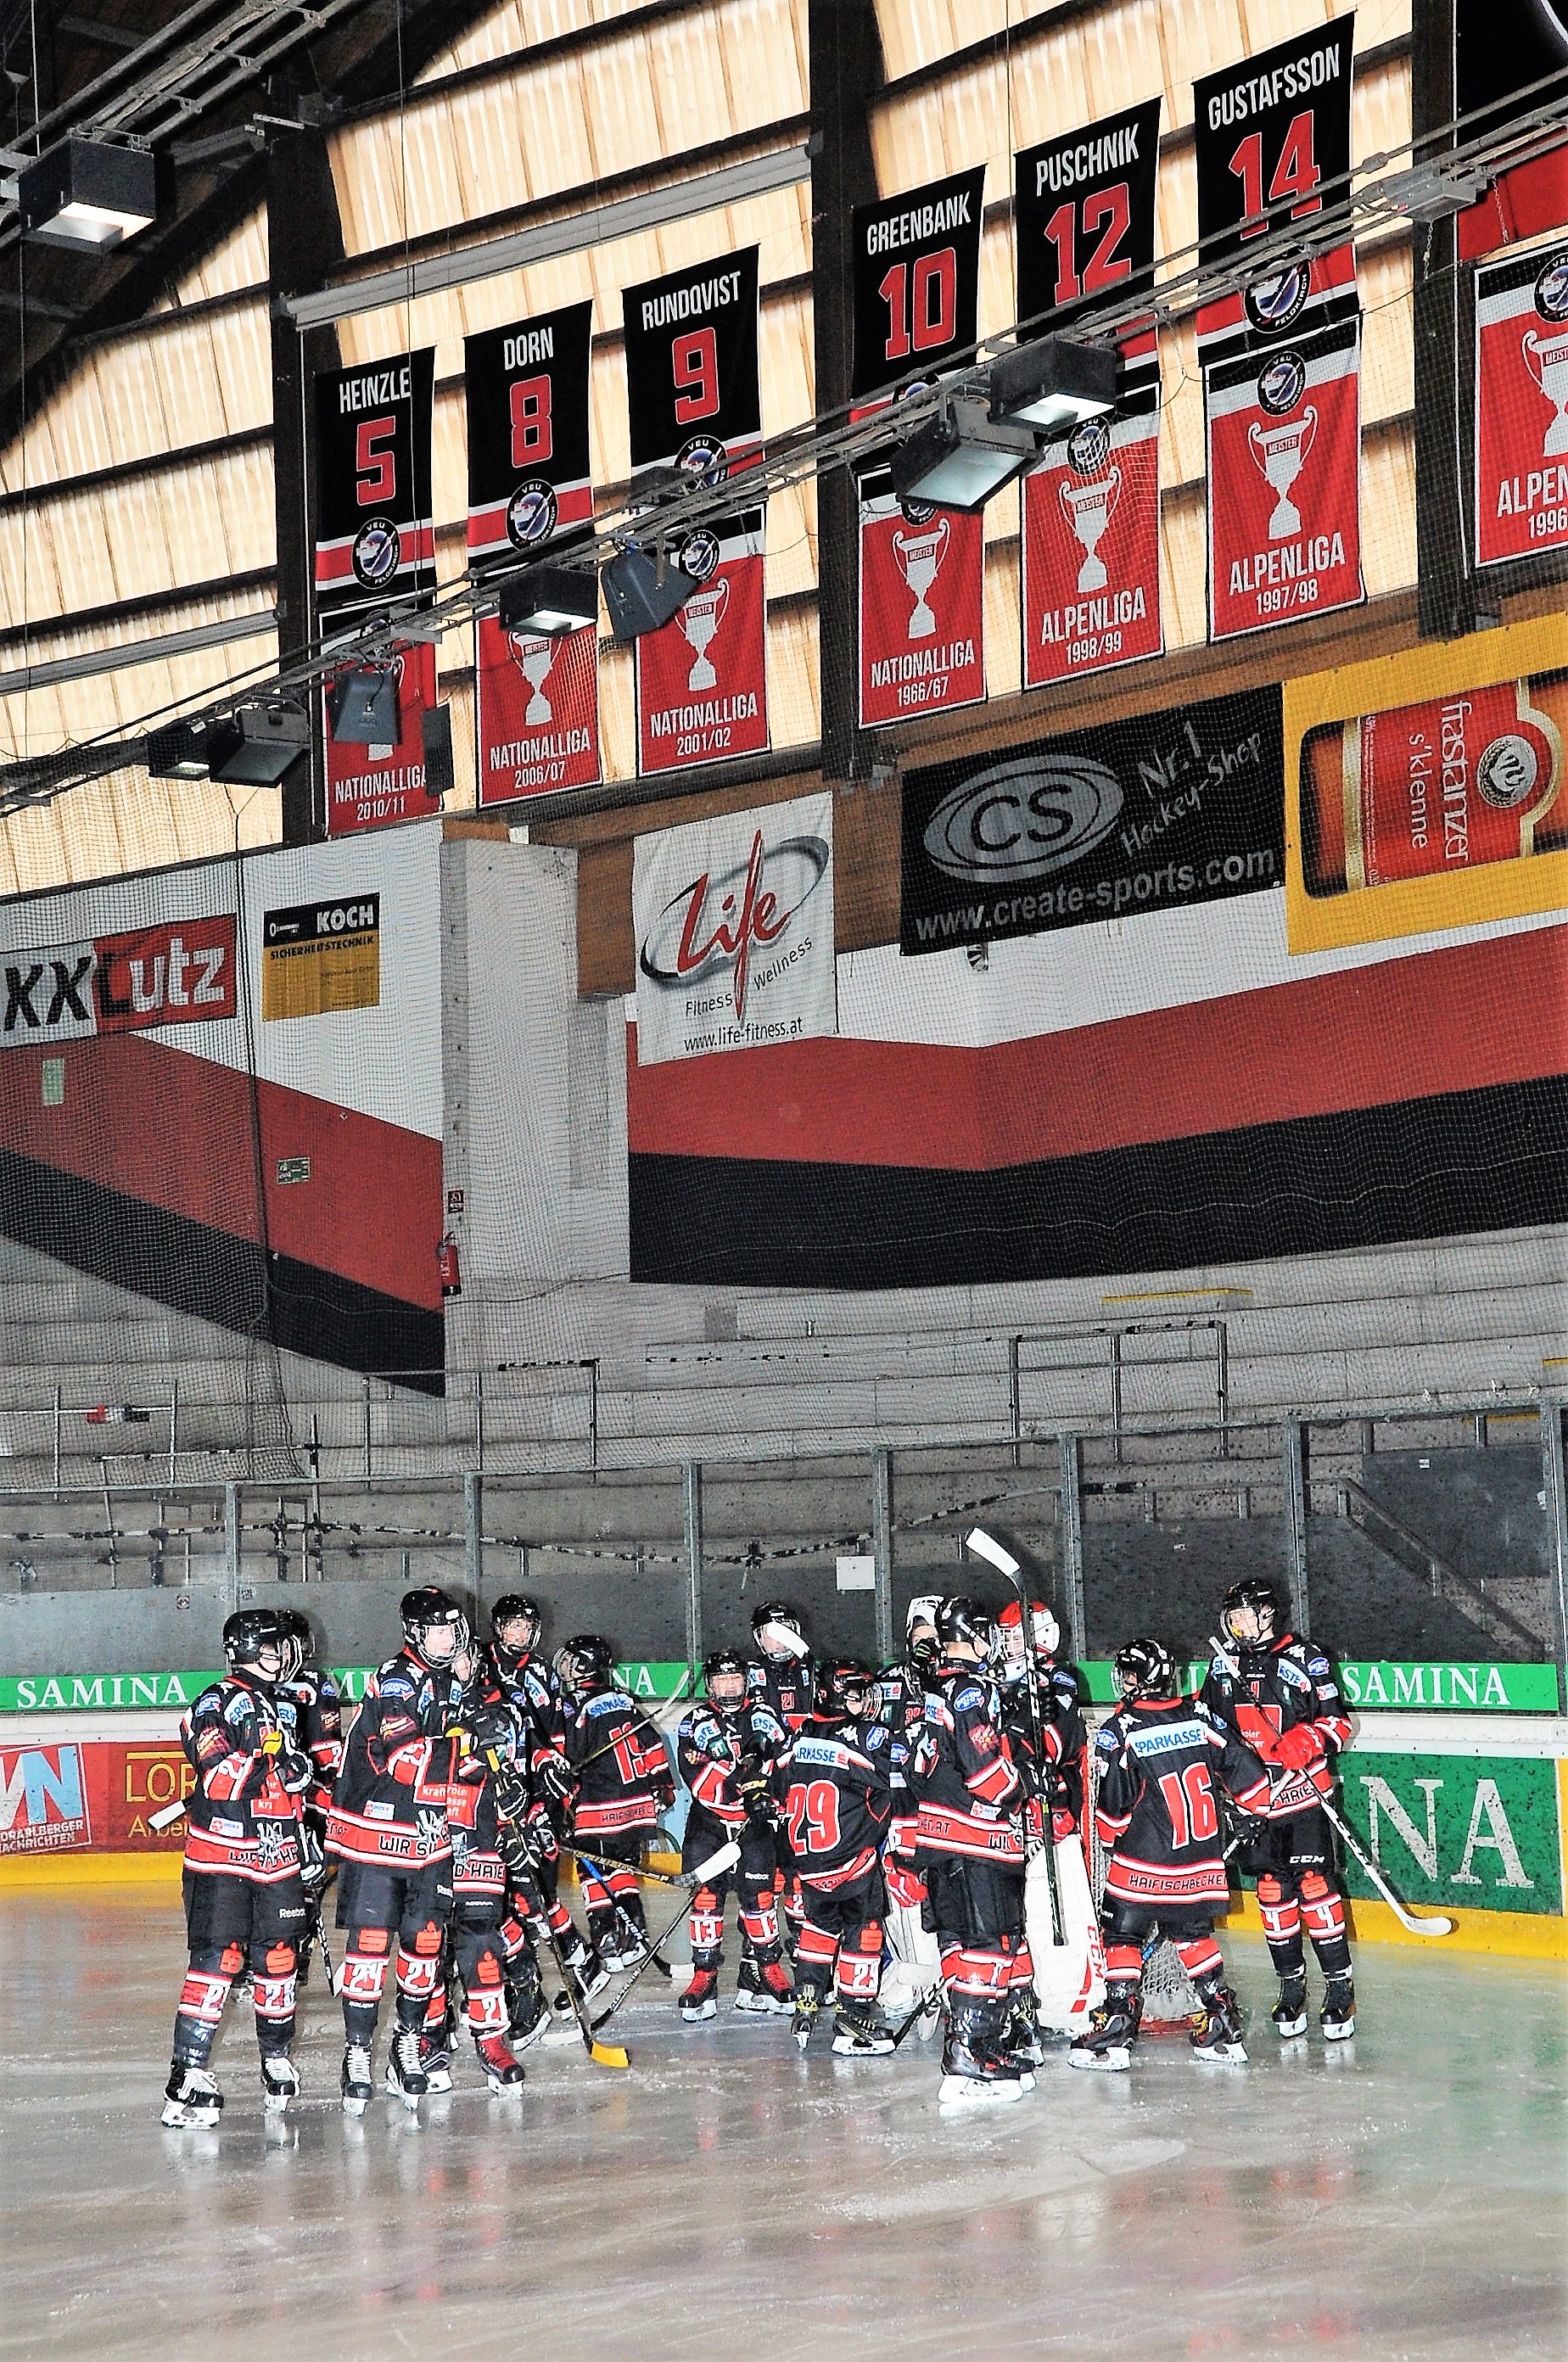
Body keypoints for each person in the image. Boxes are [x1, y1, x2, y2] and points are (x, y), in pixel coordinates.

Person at [1071, 1637, 1274, 2074]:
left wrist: (1108, 1835)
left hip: (1143, 1862)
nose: (1124, 1681)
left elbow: (1112, 1809)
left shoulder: (1121, 1730)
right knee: (1192, 1937)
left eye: (1129, 1674)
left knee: (1122, 1938)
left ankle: (1117, 2028)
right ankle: (1221, 2022)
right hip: (1200, 1862)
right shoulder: (1200, 1715)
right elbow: (1248, 1772)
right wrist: (1250, 1810)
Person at [160, 1609, 311, 2127]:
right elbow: (219, 1777)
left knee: (280, 1958)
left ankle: (276, 2055)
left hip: (277, 1855)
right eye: (271, 1646)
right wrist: (274, 1766)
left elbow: (287, 1789)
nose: (281, 1654)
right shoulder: (215, 1701)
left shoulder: (281, 1704)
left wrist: (304, 1829)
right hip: (220, 1856)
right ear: (243, 1649)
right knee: (218, 1959)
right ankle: (186, 2074)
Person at [1200, 1579, 1358, 2039]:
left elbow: (1337, 1722)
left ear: (1268, 1614)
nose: (1236, 1623)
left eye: (1244, 1614)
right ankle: (1291, 1987)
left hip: (1304, 1797)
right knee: (1271, 1891)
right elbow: (1208, 1727)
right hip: (1255, 1802)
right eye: (1232, 1616)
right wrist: (1228, 1788)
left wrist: (1307, 1738)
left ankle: (1339, 1988)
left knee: (1315, 1886)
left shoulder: (1307, 1658)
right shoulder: (1223, 1665)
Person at [327, 1587, 465, 2111]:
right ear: (415, 1633)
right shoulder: (396, 1679)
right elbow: (406, 1759)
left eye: (453, 1629)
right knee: (370, 1946)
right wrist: (471, 1748)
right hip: (376, 1833)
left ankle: (407, 2044)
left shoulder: (448, 1679)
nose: (450, 1638)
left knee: (425, 1943)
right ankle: (358, 2051)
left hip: (428, 1836)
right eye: (439, 1630)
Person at [906, 1597, 1033, 2107]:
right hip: (975, 1840)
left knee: (963, 1944)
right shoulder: (972, 1691)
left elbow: (916, 1771)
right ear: (976, 1635)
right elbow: (983, 1772)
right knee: (989, 1944)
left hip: (938, 1840)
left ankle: (977, 2045)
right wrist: (1023, 1784)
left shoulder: (936, 1689)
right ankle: (968, 2055)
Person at [484, 1596, 608, 2007]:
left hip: (535, 1794)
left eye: (527, 1627)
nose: (521, 1634)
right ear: (499, 1628)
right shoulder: (479, 1664)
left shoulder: (540, 1673)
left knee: (534, 1889)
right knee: (497, 1894)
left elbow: (552, 1734)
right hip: (492, 1793)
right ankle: (526, 1973)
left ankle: (572, 1964)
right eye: (514, 1626)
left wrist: (556, 1784)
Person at [771, 1659, 897, 2056]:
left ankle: (808, 1996)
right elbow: (895, 1777)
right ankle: (853, 2018)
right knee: (865, 1929)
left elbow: (777, 1789)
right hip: (852, 1861)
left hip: (810, 1864)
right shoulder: (864, 1738)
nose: (866, 1702)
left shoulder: (797, 1740)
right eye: (857, 1695)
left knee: (819, 1927)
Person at [995, 1598, 1101, 2041]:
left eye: (1016, 1634)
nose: (1008, 1644)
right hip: (1008, 1821)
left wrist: (1023, 1731)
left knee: (1063, 1913)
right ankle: (1018, 2005)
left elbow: (1057, 1739)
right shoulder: (994, 1682)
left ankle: (1074, 2005)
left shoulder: (1059, 1677)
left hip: (1054, 1820)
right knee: (1012, 1917)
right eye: (1005, 1636)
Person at [675, 1648, 793, 2021]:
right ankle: (704, 1978)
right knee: (705, 1900)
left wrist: (769, 1794)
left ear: (746, 1681)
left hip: (754, 1825)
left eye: (735, 1678)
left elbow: (785, 1761)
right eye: (721, 1679)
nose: (729, 1686)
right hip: (709, 1825)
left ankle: (767, 1971)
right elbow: (698, 1779)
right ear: (710, 1684)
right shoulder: (694, 1722)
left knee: (760, 1900)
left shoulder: (765, 1716)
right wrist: (742, 1784)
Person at [559, 1634, 674, 1970]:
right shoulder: (624, 1700)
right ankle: (635, 1934)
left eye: (571, 1661)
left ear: (584, 1665)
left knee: (592, 1871)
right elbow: (653, 1745)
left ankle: (608, 1939)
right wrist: (663, 1784)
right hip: (635, 1804)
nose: (565, 1667)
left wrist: (564, 1799)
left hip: (598, 1805)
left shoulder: (573, 1704)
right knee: (623, 1867)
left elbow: (567, 1755)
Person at [274, 1605, 342, 1989]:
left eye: (293, 1644)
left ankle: (295, 1959)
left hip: (305, 1799)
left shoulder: (316, 1685)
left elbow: (327, 1750)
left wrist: (320, 1793)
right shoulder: (253, 1685)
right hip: (263, 1799)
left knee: (304, 1881)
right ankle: (258, 1961)